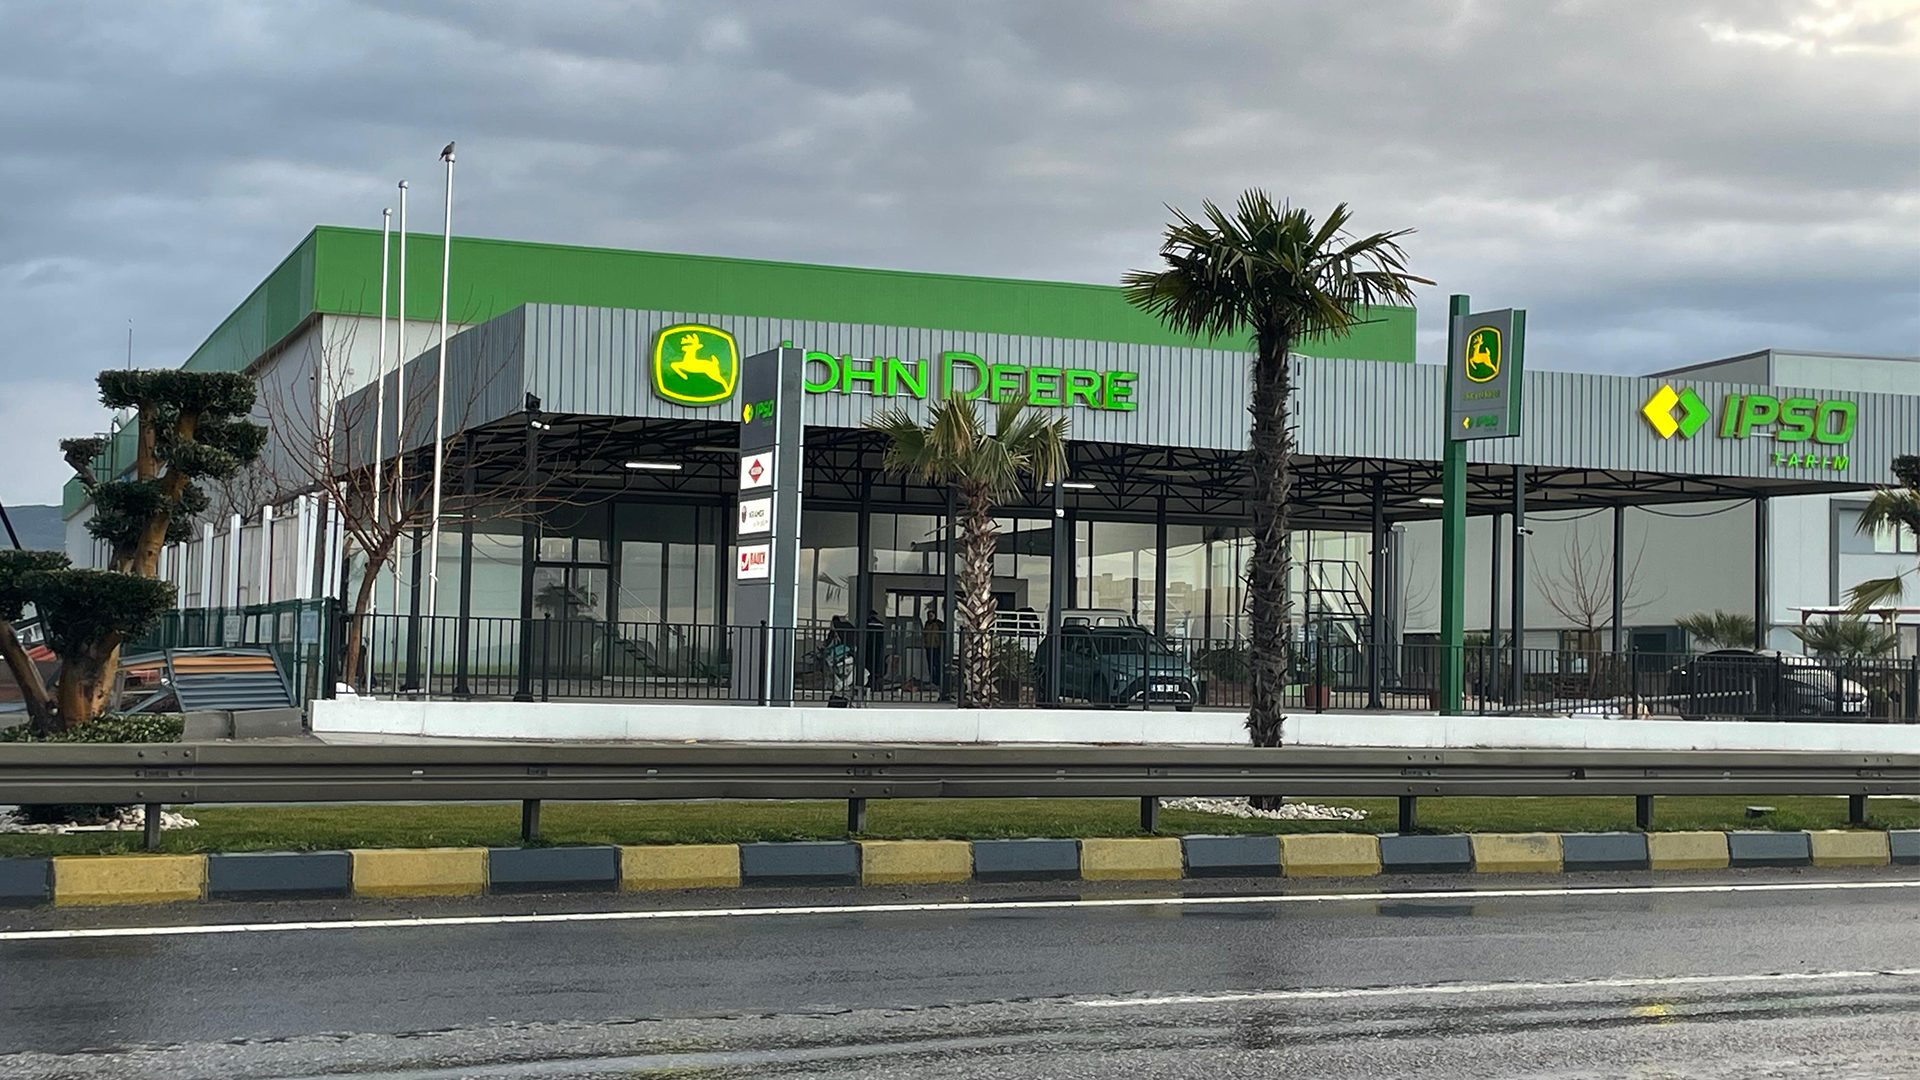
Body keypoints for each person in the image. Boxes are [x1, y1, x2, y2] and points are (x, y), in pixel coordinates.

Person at [922, 605, 945, 692]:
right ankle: (933, 680)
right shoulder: (927, 624)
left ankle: (938, 681)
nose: (930, 617)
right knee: (930, 665)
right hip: (929, 647)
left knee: (937, 664)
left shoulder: (939, 624)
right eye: (929, 615)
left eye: (932, 615)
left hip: (937, 647)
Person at [865, 609, 886, 690]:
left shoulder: (867, 623)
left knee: (869, 665)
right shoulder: (880, 624)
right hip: (878, 648)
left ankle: (869, 684)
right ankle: (876, 685)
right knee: (877, 666)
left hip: (869, 647)